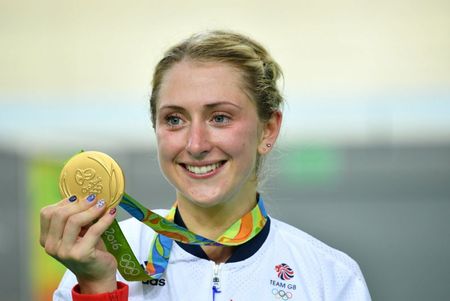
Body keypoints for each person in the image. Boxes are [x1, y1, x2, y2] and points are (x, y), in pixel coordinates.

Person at [40, 30, 371, 300]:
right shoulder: (98, 258)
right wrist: (99, 288)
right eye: (174, 119)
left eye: (220, 117)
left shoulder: (329, 277)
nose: (195, 144)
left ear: (267, 130)